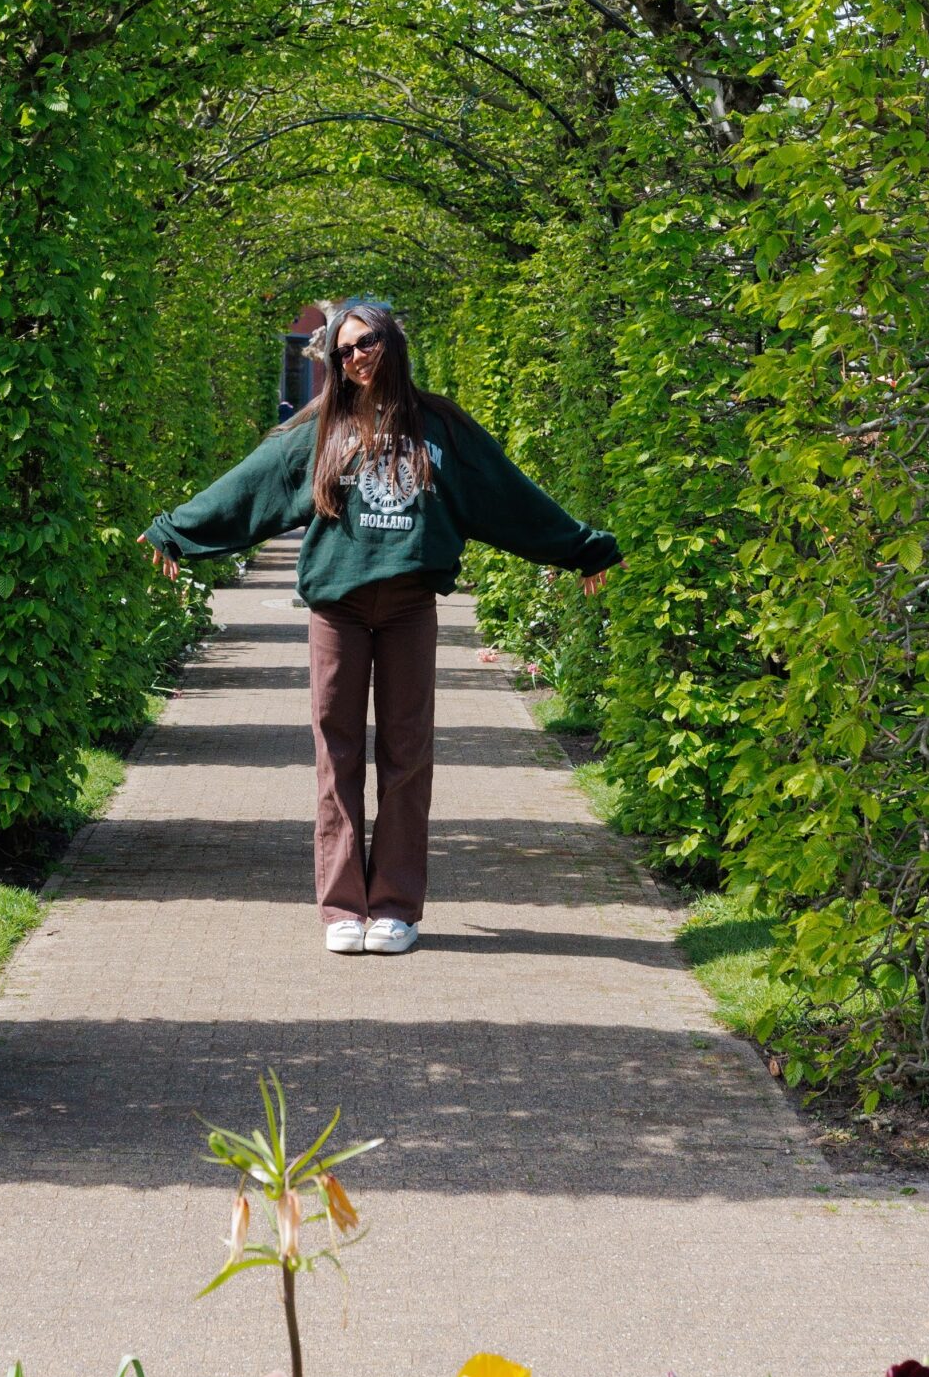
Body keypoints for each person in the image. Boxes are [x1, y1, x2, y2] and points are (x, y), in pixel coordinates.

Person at [141, 296, 619, 955]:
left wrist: (581, 547)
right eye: (343, 350)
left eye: (365, 343)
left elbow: (507, 495)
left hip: (408, 608)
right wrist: (176, 531)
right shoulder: (318, 430)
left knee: (406, 755)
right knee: (335, 757)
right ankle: (343, 908)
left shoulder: (443, 426)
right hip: (336, 609)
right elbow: (247, 487)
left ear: (391, 342)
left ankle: (394, 906)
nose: (355, 357)